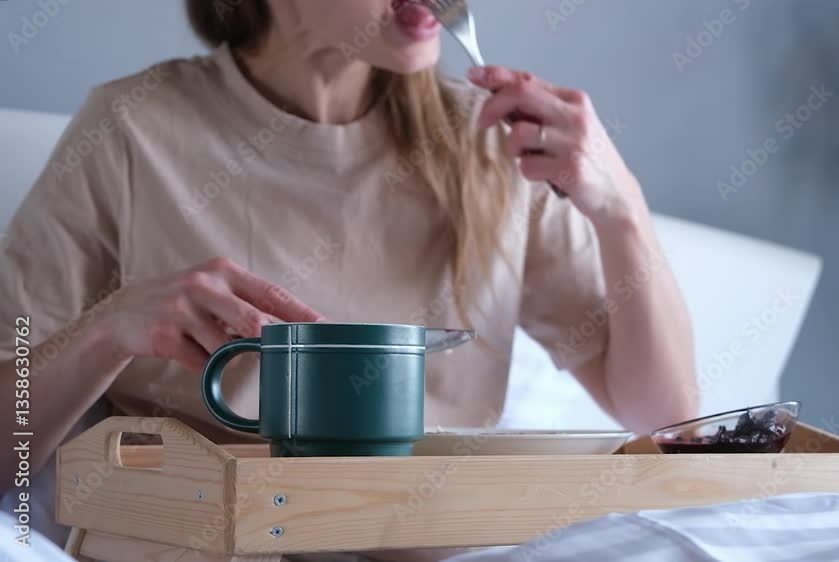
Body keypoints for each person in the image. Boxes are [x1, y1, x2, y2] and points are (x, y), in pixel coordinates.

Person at [0, 0, 697, 559]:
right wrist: (106, 330)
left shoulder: (489, 141)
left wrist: (621, 208)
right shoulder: (132, 129)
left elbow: (667, 417)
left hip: (440, 543)